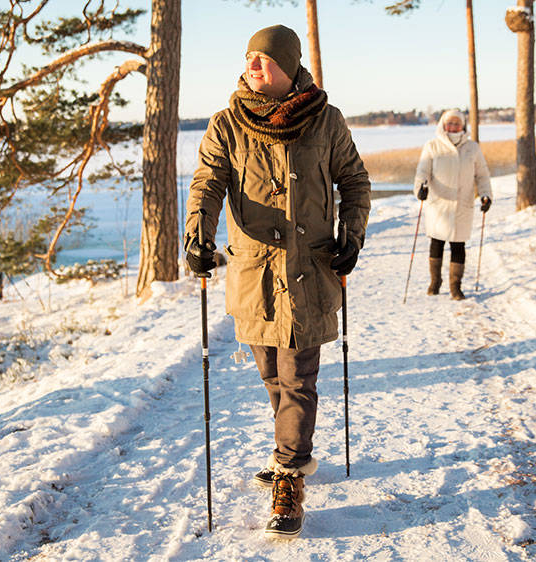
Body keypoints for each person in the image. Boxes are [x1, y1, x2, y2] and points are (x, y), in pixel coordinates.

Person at [183, 24, 371, 539]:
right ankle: (293, 446)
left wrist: (351, 235)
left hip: (310, 270)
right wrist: (197, 236)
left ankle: (290, 472)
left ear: (288, 67)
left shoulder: (326, 121)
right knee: (271, 373)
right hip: (255, 272)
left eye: (264, 59)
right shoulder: (228, 123)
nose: (253, 65)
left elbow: (354, 181)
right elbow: (207, 183)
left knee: (297, 376)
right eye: (248, 58)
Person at [413, 109, 492, 300]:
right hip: (438, 204)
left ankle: (455, 287)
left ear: (463, 125)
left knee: (458, 246)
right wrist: (420, 188)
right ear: (443, 124)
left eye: (457, 123)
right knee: (436, 243)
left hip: (462, 203)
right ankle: (435, 281)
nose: (453, 127)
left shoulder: (472, 148)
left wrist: (485, 195)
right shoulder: (432, 145)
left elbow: (482, 174)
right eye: (450, 123)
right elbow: (422, 172)